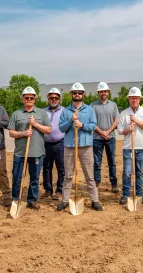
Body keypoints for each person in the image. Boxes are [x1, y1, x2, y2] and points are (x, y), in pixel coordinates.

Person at [57, 82, 103, 211]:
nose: (77, 95)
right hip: (70, 146)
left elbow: (93, 126)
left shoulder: (89, 110)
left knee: (89, 175)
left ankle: (95, 200)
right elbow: (61, 128)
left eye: (79, 93)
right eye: (75, 93)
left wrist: (81, 125)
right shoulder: (66, 111)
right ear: (72, 94)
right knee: (68, 175)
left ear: (83, 94)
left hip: (86, 146)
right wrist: (71, 121)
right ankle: (65, 200)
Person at [8, 86, 51, 210]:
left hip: (37, 152)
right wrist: (23, 133)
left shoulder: (41, 113)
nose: (29, 99)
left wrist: (35, 124)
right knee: (17, 177)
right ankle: (16, 199)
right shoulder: (17, 114)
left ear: (35, 99)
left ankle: (32, 200)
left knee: (34, 178)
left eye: (31, 98)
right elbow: (11, 133)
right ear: (22, 99)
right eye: (26, 97)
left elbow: (48, 130)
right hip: (20, 153)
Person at [117, 87, 143, 205]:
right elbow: (120, 130)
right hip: (128, 147)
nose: (134, 100)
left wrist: (136, 121)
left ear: (139, 99)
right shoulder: (124, 113)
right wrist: (128, 130)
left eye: (136, 98)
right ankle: (126, 194)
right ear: (129, 99)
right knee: (127, 172)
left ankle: (139, 194)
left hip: (142, 147)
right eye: (132, 98)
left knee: (140, 172)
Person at [90, 82, 119, 193]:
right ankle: (96, 183)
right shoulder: (93, 105)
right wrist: (101, 132)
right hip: (97, 138)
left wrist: (108, 132)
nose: (103, 93)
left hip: (110, 137)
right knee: (97, 162)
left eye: (105, 91)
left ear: (108, 92)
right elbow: (92, 121)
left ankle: (114, 184)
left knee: (112, 161)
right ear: (98, 93)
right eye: (101, 91)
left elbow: (116, 120)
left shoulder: (113, 105)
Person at [41, 87, 65, 200]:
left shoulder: (65, 111)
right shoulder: (43, 112)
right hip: (45, 143)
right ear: (48, 99)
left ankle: (59, 190)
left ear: (59, 99)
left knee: (61, 168)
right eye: (51, 98)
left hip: (60, 143)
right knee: (46, 167)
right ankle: (48, 190)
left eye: (56, 98)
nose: (53, 100)